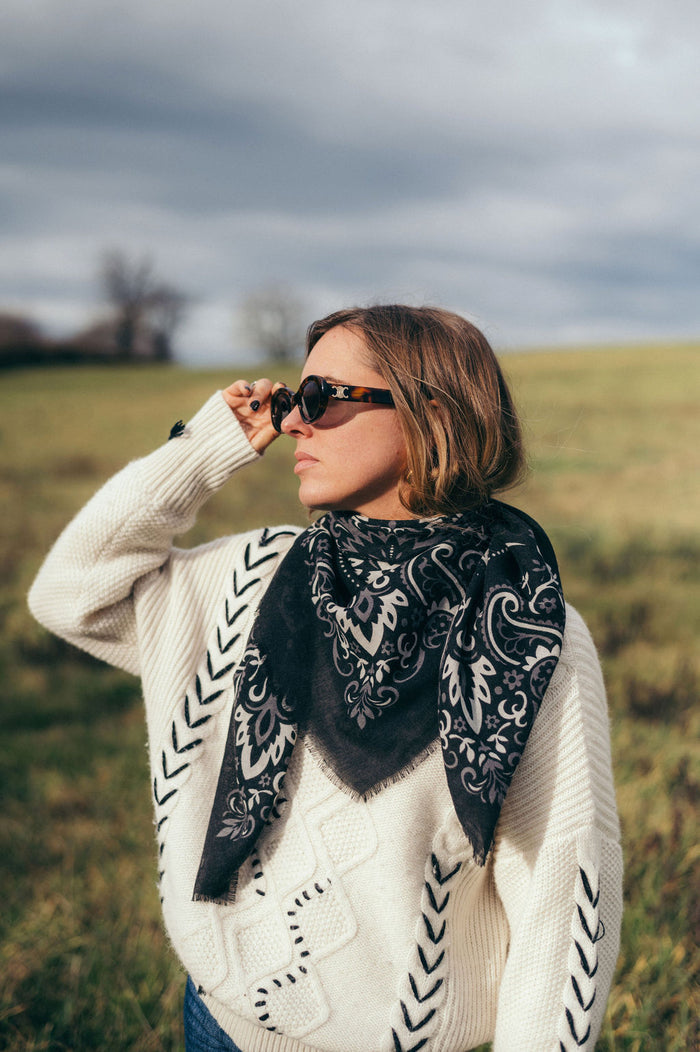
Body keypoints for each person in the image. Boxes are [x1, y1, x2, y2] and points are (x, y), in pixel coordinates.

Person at [28, 305, 623, 1052]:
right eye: (288, 404)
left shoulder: (528, 630)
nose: (294, 427)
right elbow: (70, 594)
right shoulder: (250, 578)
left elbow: (560, 895)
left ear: (428, 413)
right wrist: (203, 450)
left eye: (318, 400)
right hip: (220, 1022)